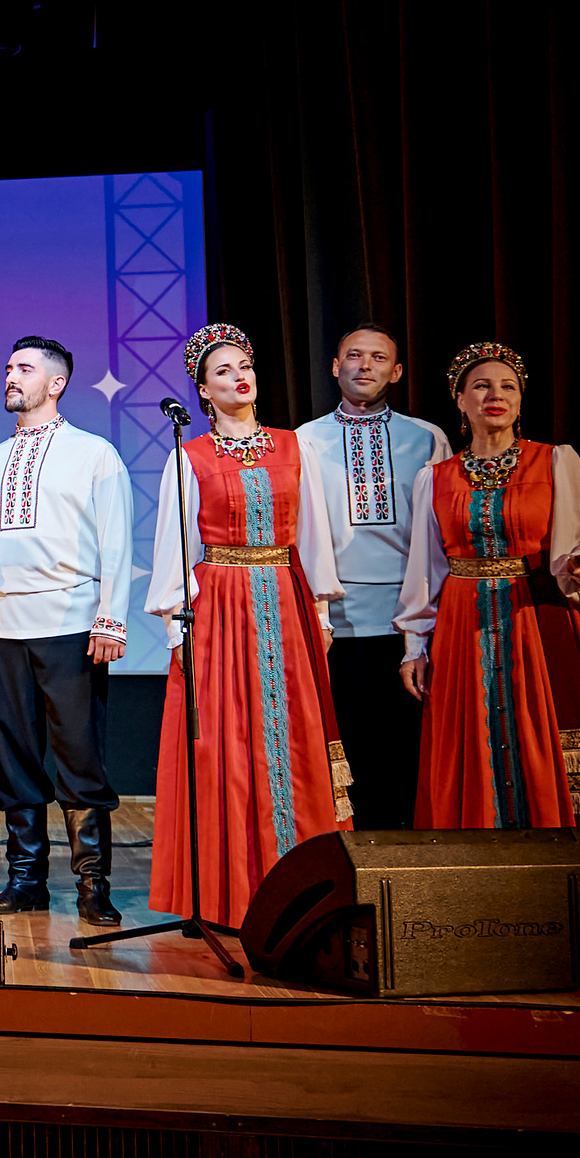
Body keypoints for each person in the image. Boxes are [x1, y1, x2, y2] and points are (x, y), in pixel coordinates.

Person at [397, 343, 580, 940]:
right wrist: (414, 644)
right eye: (479, 386)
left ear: (521, 398)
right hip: (462, 628)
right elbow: (424, 566)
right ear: (459, 401)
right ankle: (481, 906)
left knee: (550, 747)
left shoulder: (555, 461)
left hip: (540, 619)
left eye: (506, 385)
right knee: (472, 750)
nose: (494, 395)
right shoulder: (437, 477)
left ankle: (576, 908)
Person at [146, 323, 352, 930]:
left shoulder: (294, 447)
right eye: (222, 371)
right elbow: (176, 551)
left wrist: (318, 612)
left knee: (294, 740)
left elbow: (312, 536)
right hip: (220, 609)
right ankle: (229, 891)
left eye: (246, 365)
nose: (240, 376)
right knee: (229, 744)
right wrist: (179, 632)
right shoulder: (189, 457)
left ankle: (307, 883)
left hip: (285, 606)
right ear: (204, 392)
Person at [0, 338, 134, 926]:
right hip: (2, 625)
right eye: (9, 365)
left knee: (78, 755)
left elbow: (116, 539)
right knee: (11, 756)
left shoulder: (94, 454)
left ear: (56, 383)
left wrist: (111, 617)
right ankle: (26, 878)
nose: (10, 375)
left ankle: (92, 884)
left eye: (25, 368)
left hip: (71, 621)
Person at [293, 322, 451, 829]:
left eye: (378, 357)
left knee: (407, 749)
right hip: (336, 623)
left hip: (413, 622)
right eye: (354, 356)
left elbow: (443, 531)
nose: (365, 365)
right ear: (336, 367)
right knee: (346, 750)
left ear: (397, 371)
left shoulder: (426, 438)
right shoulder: (304, 440)